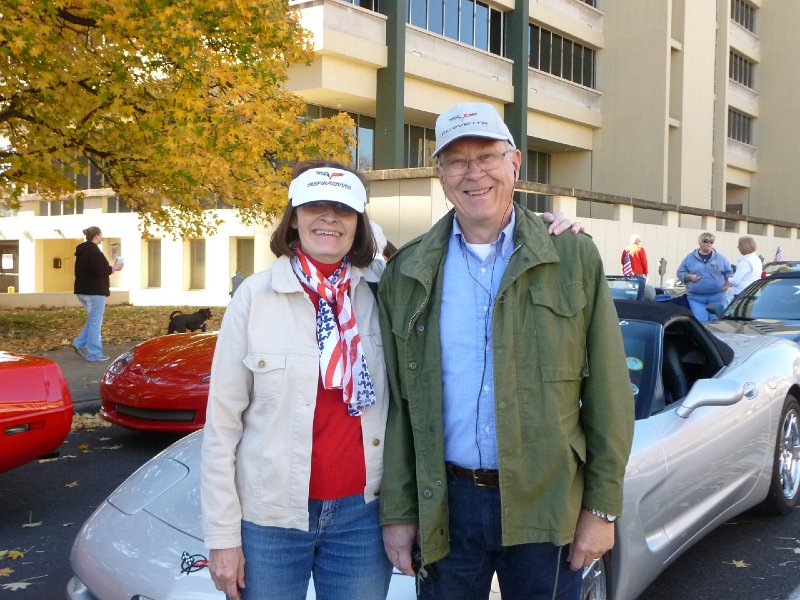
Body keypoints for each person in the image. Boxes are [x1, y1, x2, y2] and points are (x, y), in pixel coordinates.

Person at [378, 102, 635, 600]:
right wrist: (399, 511)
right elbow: (397, 411)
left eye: (487, 157)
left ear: (514, 163)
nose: (474, 173)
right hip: (445, 507)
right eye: (457, 161)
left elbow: (608, 392)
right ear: (441, 175)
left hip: (549, 502)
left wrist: (602, 509)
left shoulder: (571, 255)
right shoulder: (408, 273)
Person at [201, 162, 392, 600]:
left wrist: (547, 226)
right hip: (270, 519)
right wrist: (222, 536)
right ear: (294, 217)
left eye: (343, 209)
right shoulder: (255, 296)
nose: (329, 218)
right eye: (315, 206)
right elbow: (222, 426)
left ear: (361, 223)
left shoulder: (382, 291)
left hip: (362, 517)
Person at [73, 226, 123, 361]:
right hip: (94, 292)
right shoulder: (94, 252)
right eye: (101, 235)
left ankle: (79, 343)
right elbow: (100, 270)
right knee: (96, 323)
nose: (102, 237)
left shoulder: (82, 251)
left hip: (82, 291)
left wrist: (111, 268)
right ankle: (94, 354)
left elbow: (92, 270)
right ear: (96, 235)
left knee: (93, 320)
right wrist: (115, 268)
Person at [676, 232, 733, 322]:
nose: (709, 243)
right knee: (701, 323)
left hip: (717, 297)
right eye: (706, 241)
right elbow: (680, 272)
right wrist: (689, 276)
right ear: (700, 243)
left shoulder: (721, 258)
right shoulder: (689, 258)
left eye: (712, 241)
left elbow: (730, 273)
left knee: (716, 323)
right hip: (696, 298)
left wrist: (727, 285)